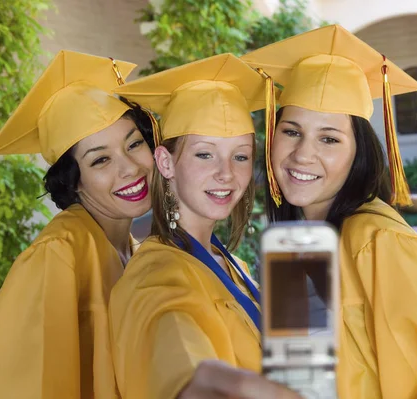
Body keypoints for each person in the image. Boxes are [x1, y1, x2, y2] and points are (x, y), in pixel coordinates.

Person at [242, 24, 417, 398]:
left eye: (329, 138)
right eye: (291, 131)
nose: (302, 154)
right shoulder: (300, 241)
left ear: (360, 152)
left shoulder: (378, 243)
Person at [0, 50, 155, 399]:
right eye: (100, 160)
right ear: (74, 181)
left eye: (135, 144)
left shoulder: (134, 248)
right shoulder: (57, 255)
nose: (130, 168)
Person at [108, 53, 300, 399]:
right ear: (165, 163)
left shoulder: (232, 264)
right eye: (204, 154)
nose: (226, 173)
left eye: (240, 156)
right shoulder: (156, 271)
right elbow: (171, 331)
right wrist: (188, 383)